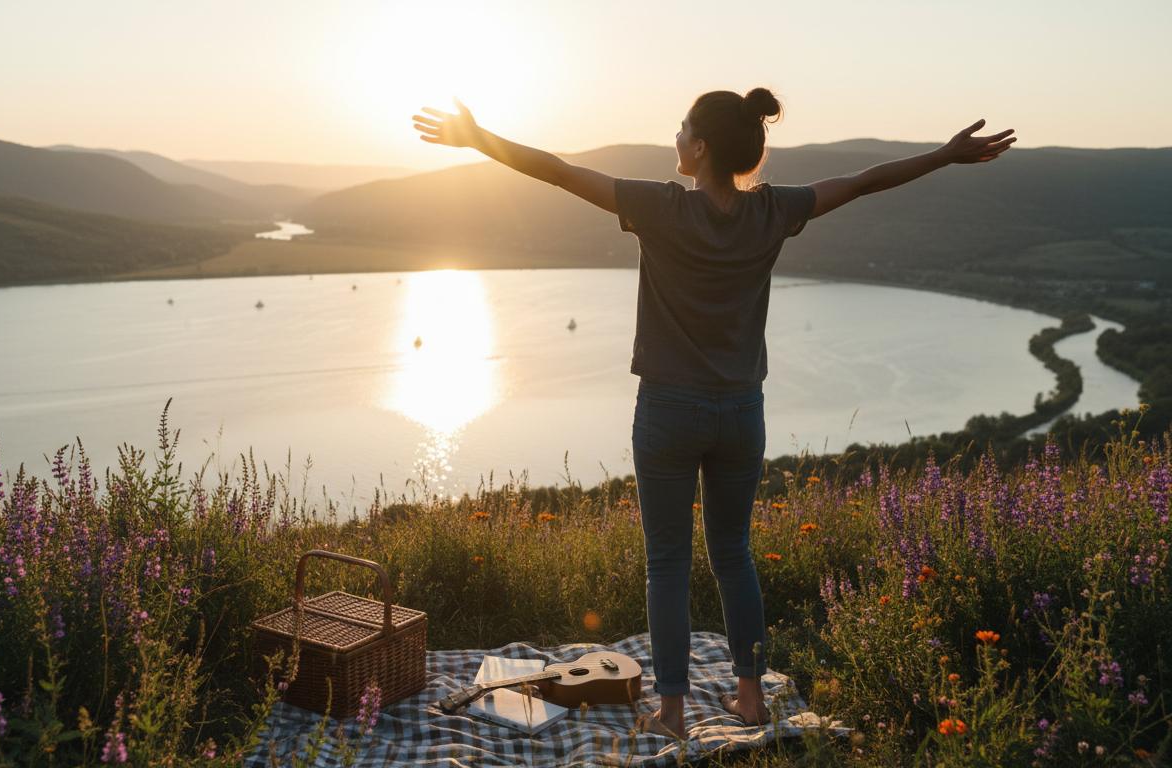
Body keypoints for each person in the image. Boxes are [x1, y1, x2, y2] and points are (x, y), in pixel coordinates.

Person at [412, 91, 1014, 739]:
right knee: (734, 554)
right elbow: (867, 181)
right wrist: (946, 156)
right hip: (739, 412)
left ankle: (670, 711)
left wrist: (479, 140)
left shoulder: (658, 206)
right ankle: (750, 698)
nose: (674, 136)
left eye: (682, 129)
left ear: (698, 148)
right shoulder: (775, 209)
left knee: (667, 562)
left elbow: (558, 172)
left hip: (668, 409)